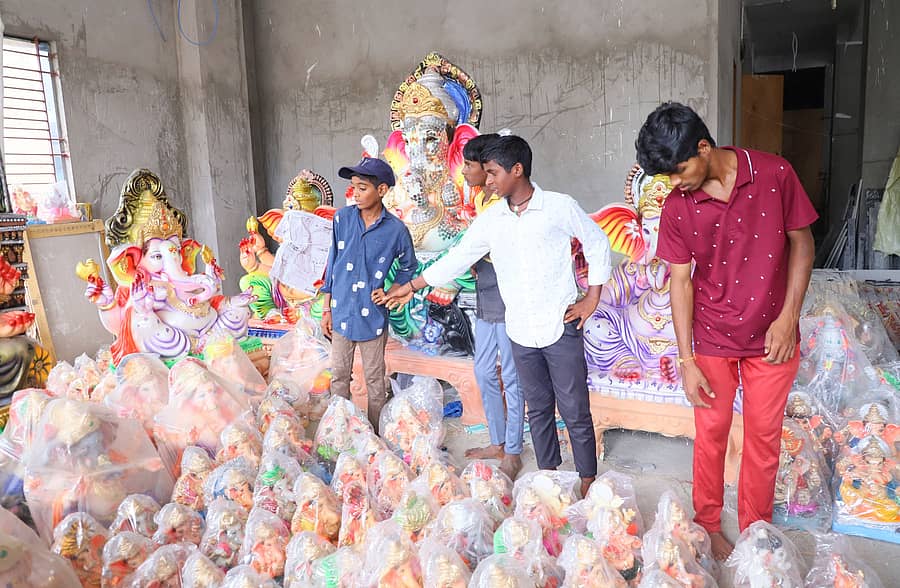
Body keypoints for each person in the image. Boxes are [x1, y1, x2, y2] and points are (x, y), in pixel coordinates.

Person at [636, 102, 817, 560]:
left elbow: (803, 242)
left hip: (773, 335)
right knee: (711, 432)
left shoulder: (774, 174)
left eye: (678, 171)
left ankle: (757, 534)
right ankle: (708, 525)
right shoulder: (678, 206)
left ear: (703, 147)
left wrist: (788, 318)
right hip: (713, 337)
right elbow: (679, 280)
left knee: (762, 438)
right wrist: (686, 360)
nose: (674, 184)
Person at [382, 135, 612, 497]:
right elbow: (457, 258)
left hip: (560, 324)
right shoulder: (492, 221)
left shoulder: (557, 207)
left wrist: (592, 298)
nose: (487, 181)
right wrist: (412, 286)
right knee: (537, 408)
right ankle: (550, 477)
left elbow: (597, 242)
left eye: (492, 173)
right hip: (520, 330)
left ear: (516, 171)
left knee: (574, 408)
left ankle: (586, 478)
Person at [320, 157, 417, 432]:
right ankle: (337, 433)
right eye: (354, 188)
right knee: (338, 375)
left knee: (375, 380)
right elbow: (332, 261)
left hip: (372, 315)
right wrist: (326, 308)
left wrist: (391, 292)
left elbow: (409, 266)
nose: (356, 194)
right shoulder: (343, 218)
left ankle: (376, 435)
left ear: (382, 190)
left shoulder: (396, 230)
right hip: (341, 311)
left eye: (363, 188)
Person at [459, 133, 525, 480]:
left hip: (508, 298)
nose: (465, 171)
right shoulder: (481, 202)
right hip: (486, 295)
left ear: (488, 169)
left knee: (511, 376)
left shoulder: (503, 204)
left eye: (469, 164)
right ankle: (498, 439)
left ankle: (512, 449)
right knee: (484, 370)